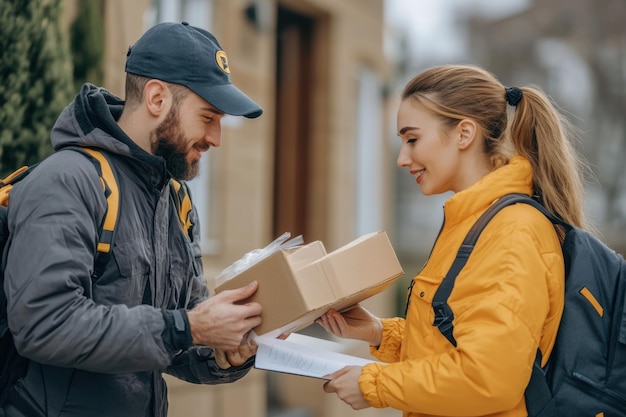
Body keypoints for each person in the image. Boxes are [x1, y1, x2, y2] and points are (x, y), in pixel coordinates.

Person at [2, 22, 264, 417]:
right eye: (208, 116)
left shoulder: (175, 199)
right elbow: (44, 324)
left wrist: (224, 353)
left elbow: (177, 337)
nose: (216, 138)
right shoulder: (68, 181)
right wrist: (187, 327)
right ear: (157, 98)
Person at [316, 64, 591, 416]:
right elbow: (458, 339)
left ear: (464, 134)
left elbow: (489, 379)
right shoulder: (474, 223)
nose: (402, 159)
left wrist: (376, 384)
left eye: (412, 139)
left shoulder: (511, 234)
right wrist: (380, 333)